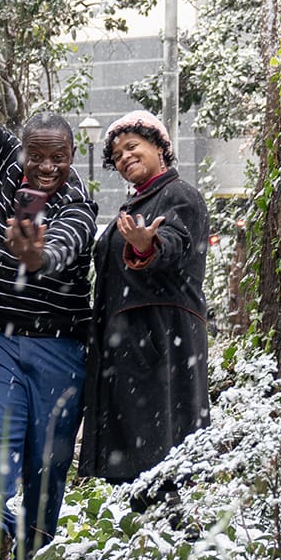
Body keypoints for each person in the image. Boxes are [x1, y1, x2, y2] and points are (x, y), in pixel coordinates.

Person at [0, 32, 98, 560]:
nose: (46, 168)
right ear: (24, 153)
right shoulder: (11, 167)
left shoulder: (81, 204)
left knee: (47, 461)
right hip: (1, 343)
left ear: (72, 154)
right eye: (38, 156)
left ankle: (34, 555)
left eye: (58, 157)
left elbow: (61, 248)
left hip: (61, 351)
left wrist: (35, 258)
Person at [80, 108, 211, 487]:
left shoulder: (178, 194)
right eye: (117, 155)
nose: (125, 157)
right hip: (130, 344)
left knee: (162, 451)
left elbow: (175, 243)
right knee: (136, 455)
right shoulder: (134, 205)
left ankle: (170, 534)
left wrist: (148, 246)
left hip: (160, 341)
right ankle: (137, 535)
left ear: (160, 147)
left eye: (133, 146)